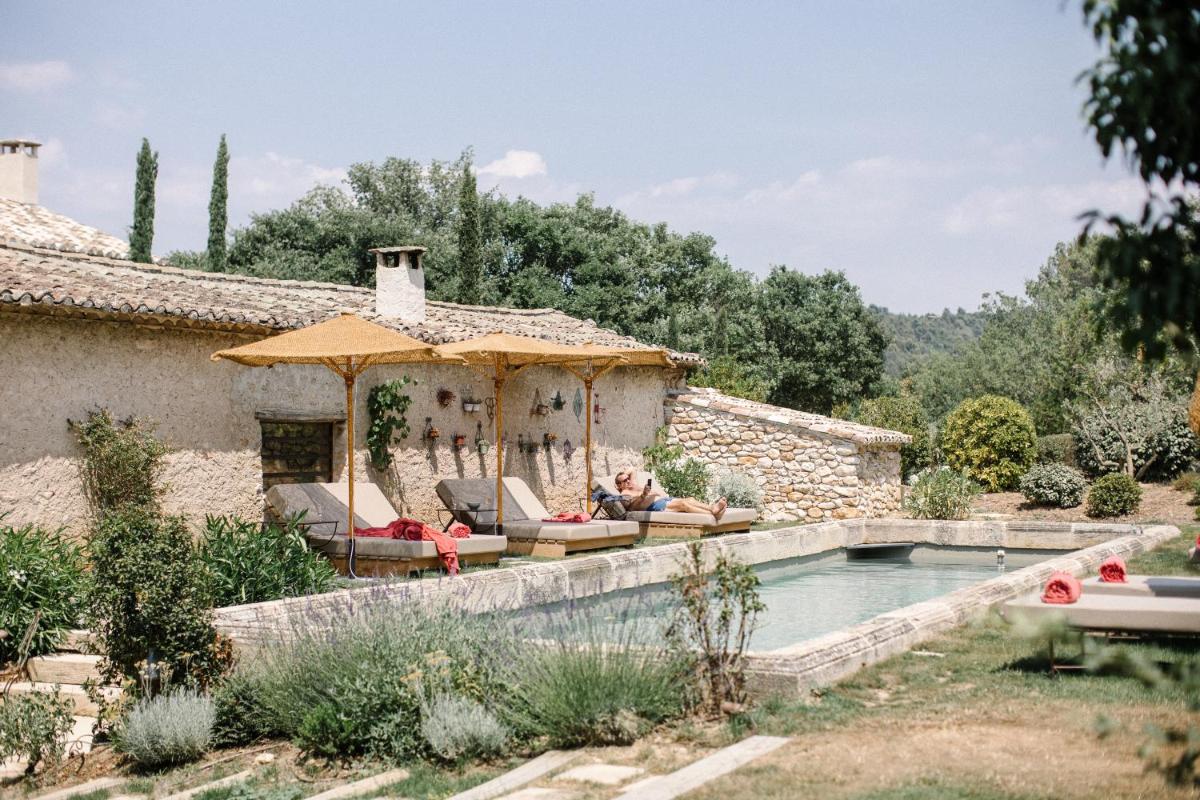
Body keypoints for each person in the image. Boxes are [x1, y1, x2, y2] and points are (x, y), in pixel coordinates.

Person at [614, 469, 728, 519]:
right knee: (684, 505)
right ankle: (712, 515)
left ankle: (712, 508)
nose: (628, 481)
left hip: (663, 499)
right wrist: (643, 495)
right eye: (624, 481)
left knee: (690, 499)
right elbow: (632, 507)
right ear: (619, 485)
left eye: (628, 478)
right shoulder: (624, 493)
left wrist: (623, 476)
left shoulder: (633, 484)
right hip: (654, 506)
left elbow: (632, 469)